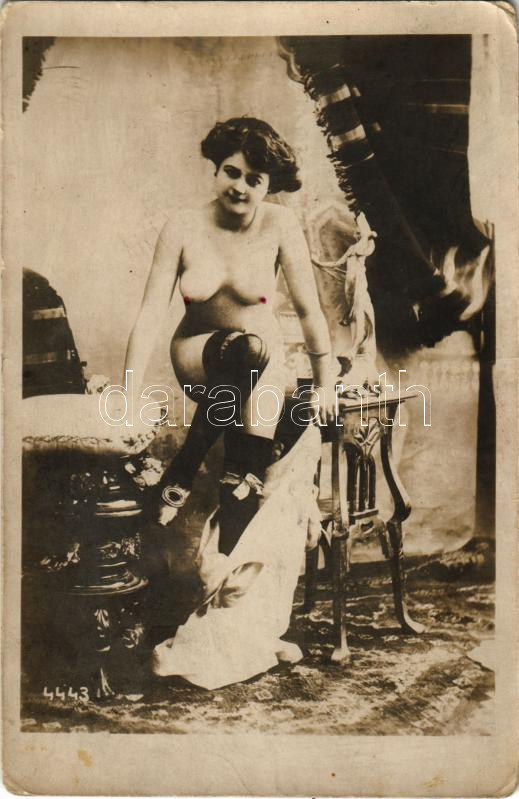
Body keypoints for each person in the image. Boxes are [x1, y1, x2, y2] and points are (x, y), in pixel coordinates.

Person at [123, 117, 336, 557]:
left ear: (268, 186)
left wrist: (327, 383)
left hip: (263, 365)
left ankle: (225, 583)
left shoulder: (280, 224)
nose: (239, 187)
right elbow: (150, 313)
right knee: (244, 350)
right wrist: (130, 389)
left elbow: (309, 310)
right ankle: (184, 468)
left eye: (254, 180)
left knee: (243, 480)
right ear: (216, 170)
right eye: (231, 173)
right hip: (198, 355)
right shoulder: (183, 226)